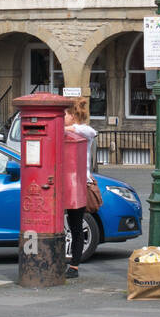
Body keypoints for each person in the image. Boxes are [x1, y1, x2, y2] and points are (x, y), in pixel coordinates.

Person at [63, 97, 97, 279]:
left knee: (76, 226)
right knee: (67, 225)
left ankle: (74, 265)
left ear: (73, 115)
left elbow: (91, 131)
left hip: (78, 183)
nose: (62, 118)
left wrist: (66, 128)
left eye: (65, 115)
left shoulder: (84, 131)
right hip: (61, 181)